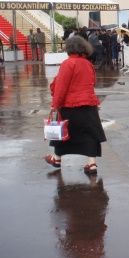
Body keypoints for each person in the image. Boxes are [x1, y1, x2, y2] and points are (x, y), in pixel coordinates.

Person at [44, 36, 106, 175]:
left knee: (64, 132)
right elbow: (92, 82)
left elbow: (61, 86)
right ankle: (92, 164)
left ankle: (57, 158)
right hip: (89, 104)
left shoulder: (68, 63)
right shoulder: (87, 63)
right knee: (90, 134)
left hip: (70, 105)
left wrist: (55, 104)